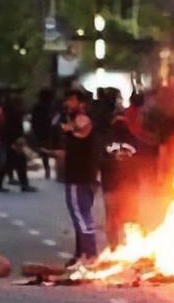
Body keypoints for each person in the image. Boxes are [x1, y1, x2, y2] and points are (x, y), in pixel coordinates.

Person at [59, 89, 100, 263]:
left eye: (70, 99)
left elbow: (78, 132)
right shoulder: (80, 120)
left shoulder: (82, 119)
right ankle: (81, 253)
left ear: (81, 102)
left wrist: (68, 128)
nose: (67, 103)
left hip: (79, 176)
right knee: (82, 215)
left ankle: (89, 253)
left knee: (81, 215)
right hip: (87, 176)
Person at [101, 116, 141, 249]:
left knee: (112, 218)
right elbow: (143, 161)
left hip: (111, 187)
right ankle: (128, 246)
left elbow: (99, 161)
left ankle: (114, 247)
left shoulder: (105, 141)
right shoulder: (134, 140)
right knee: (129, 218)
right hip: (129, 187)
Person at [0, 89, 33, 192]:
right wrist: (19, 138)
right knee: (20, 162)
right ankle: (24, 184)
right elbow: (16, 127)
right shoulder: (16, 112)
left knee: (8, 162)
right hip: (14, 139)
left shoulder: (6, 111)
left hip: (7, 139)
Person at [30, 88, 56, 180]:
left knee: (43, 149)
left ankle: (47, 168)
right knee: (47, 149)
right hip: (48, 130)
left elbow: (33, 120)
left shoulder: (37, 107)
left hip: (40, 130)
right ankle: (48, 168)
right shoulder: (50, 107)